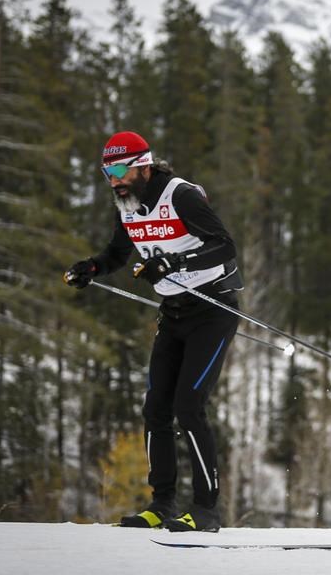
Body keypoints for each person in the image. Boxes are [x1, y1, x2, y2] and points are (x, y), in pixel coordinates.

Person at [63, 131, 242, 532]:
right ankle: (162, 503)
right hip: (173, 311)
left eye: (121, 170)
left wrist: (174, 262)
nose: (114, 180)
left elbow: (224, 245)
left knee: (189, 406)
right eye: (107, 172)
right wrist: (91, 268)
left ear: (144, 164)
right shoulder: (126, 205)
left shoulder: (180, 195)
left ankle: (206, 509)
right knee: (156, 408)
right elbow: (116, 254)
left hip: (212, 309)